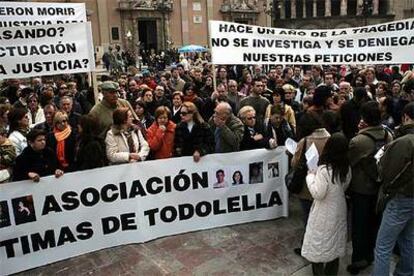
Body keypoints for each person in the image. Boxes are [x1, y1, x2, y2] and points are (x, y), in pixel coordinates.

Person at [347, 101, 393, 274]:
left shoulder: (358, 141)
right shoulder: (388, 135)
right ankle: (371, 254)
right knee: (375, 223)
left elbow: (349, 163)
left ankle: (359, 259)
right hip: (380, 188)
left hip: (361, 190)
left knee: (359, 226)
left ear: (363, 118)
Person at [301, 133, 352, 276]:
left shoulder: (324, 170)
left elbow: (318, 193)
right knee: (334, 246)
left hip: (323, 212)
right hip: (339, 208)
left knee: (318, 247)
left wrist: (311, 176)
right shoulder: (346, 167)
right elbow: (345, 186)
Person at [373, 102, 414, 276]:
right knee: (409, 239)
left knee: (383, 246)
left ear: (405, 117)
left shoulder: (405, 142)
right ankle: (406, 272)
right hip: (410, 198)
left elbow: (388, 172)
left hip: (401, 197)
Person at [292, 111, 331, 256]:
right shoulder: (331, 138)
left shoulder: (305, 141)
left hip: (308, 186)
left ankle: (308, 247)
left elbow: (295, 164)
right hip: (326, 184)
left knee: (308, 217)